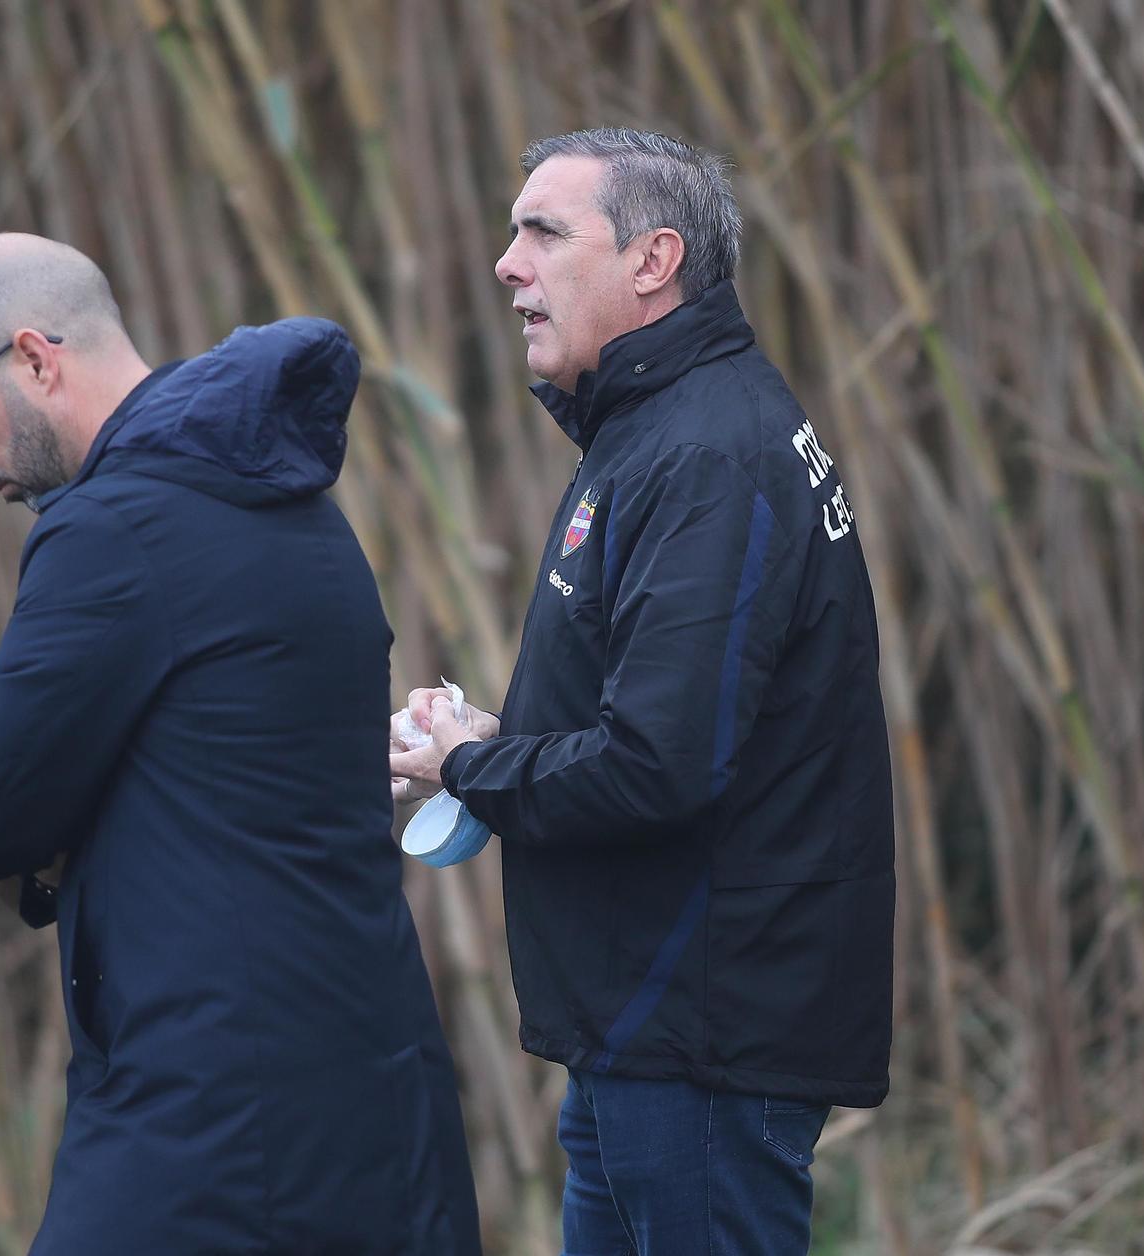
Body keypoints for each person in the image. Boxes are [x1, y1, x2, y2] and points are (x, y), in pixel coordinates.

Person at [0, 233, 481, 1255]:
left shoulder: (115, 528)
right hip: (372, 1094)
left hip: (212, 1128)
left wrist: (58, 826)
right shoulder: (295, 504)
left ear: (35, 358)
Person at [390, 128, 895, 1253]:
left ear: (651, 260)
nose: (504, 264)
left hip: (700, 1039)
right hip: (643, 1031)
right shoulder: (661, 427)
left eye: (541, 232)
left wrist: (470, 766)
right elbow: (674, 711)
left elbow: (659, 763)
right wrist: (494, 736)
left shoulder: (708, 452)